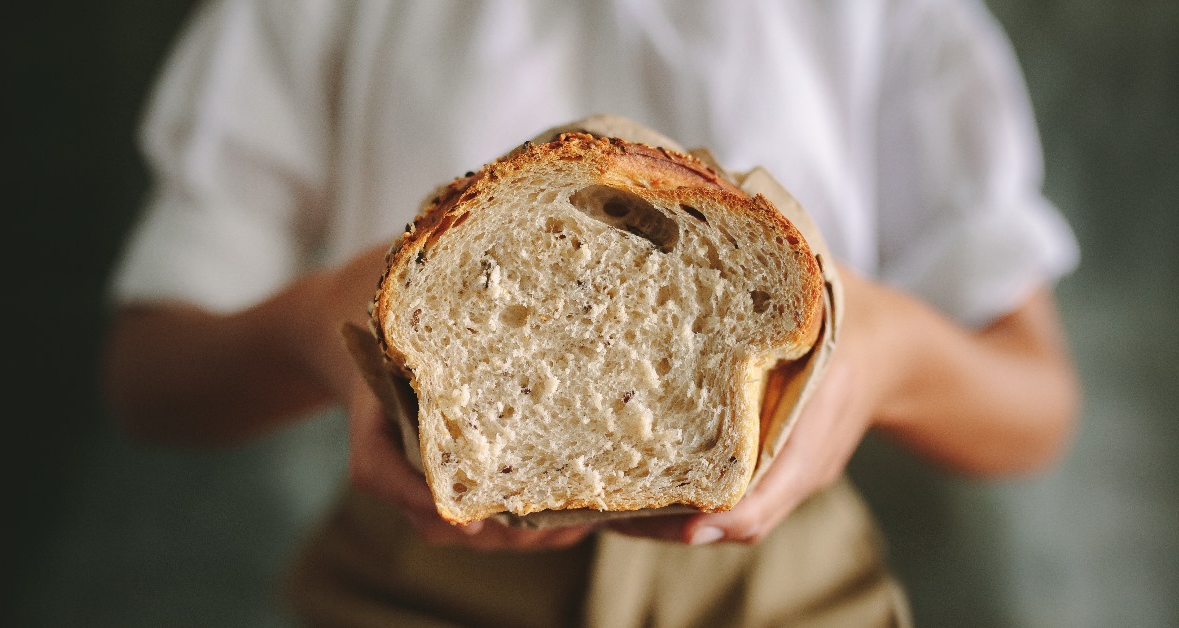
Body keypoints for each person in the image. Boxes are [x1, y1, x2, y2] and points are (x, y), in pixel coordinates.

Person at [101, 0, 1081, 625]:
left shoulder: (893, 18)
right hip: (406, 586)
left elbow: (1034, 402)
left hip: (791, 598)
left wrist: (879, 348)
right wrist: (325, 323)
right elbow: (150, 374)